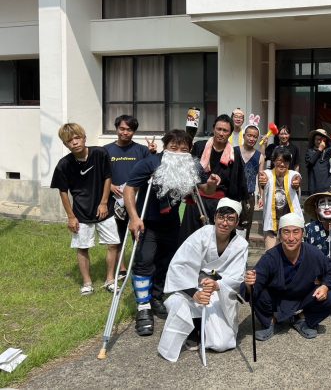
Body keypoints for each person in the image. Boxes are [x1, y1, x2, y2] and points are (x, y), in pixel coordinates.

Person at [124, 129, 218, 336]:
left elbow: (205, 189)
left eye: (183, 149)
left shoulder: (191, 165)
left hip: (172, 223)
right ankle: (143, 307)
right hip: (147, 223)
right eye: (173, 148)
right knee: (144, 261)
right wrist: (134, 217)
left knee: (166, 263)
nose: (178, 153)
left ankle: (156, 297)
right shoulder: (150, 163)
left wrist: (211, 184)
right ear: (165, 147)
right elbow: (129, 189)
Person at [157, 198, 248, 362]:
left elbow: (237, 277)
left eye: (230, 219)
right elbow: (180, 266)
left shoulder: (241, 244)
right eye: (221, 217)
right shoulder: (202, 235)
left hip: (219, 293)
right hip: (193, 288)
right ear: (215, 217)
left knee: (221, 343)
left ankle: (202, 326)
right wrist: (195, 293)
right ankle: (193, 327)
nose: (224, 223)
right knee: (177, 303)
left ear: (237, 222)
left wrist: (217, 285)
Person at [244, 213, 331, 341]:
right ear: (280, 235)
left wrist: (325, 286)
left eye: (296, 232)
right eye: (286, 232)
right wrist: (249, 284)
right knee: (256, 292)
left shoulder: (313, 253)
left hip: (303, 296)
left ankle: (301, 319)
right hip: (276, 299)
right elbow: (253, 285)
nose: (291, 238)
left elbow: (330, 268)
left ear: (302, 234)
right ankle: (271, 321)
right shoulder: (270, 257)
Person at [51, 123, 120, 295]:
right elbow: (63, 192)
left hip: (105, 210)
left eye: (77, 138)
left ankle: (110, 280)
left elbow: (107, 177)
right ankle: (87, 283)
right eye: (69, 141)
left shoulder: (100, 153)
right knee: (82, 248)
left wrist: (103, 202)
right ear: (65, 144)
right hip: (81, 212)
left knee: (113, 244)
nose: (74, 142)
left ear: (84, 138)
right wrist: (71, 217)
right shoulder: (64, 164)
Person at [104, 114, 156, 279]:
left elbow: (153, 169)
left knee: (138, 233)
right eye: (122, 129)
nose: (125, 132)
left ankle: (140, 265)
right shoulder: (106, 150)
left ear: (134, 132)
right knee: (117, 235)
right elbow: (100, 174)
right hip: (115, 200)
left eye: (129, 130)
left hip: (137, 200)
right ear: (116, 128)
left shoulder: (142, 150)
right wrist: (110, 186)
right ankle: (122, 269)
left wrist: (153, 152)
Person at [181, 114, 248, 240]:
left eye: (225, 130)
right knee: (190, 239)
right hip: (196, 201)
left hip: (219, 205)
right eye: (219, 129)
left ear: (230, 133)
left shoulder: (234, 154)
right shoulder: (200, 146)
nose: (221, 133)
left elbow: (238, 184)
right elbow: (188, 171)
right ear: (213, 129)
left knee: (215, 241)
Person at [258, 146, 303, 250]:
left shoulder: (293, 174)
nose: (282, 164)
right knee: (271, 254)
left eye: (285, 161)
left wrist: (296, 183)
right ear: (274, 161)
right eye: (279, 160)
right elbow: (264, 178)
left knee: (290, 254)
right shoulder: (268, 174)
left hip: (290, 225)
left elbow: (297, 178)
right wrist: (263, 181)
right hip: (272, 225)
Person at [238, 123, 264, 240]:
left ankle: (243, 248)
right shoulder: (234, 151)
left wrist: (261, 197)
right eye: (249, 135)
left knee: (245, 227)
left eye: (255, 137)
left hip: (249, 197)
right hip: (233, 195)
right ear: (244, 136)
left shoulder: (260, 156)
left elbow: (261, 178)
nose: (252, 139)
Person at [305, 128, 331, 195]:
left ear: (325, 140)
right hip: (314, 187)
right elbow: (309, 164)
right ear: (314, 140)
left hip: (328, 187)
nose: (319, 142)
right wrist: (320, 150)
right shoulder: (310, 151)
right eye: (317, 139)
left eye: (322, 139)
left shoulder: (330, 150)